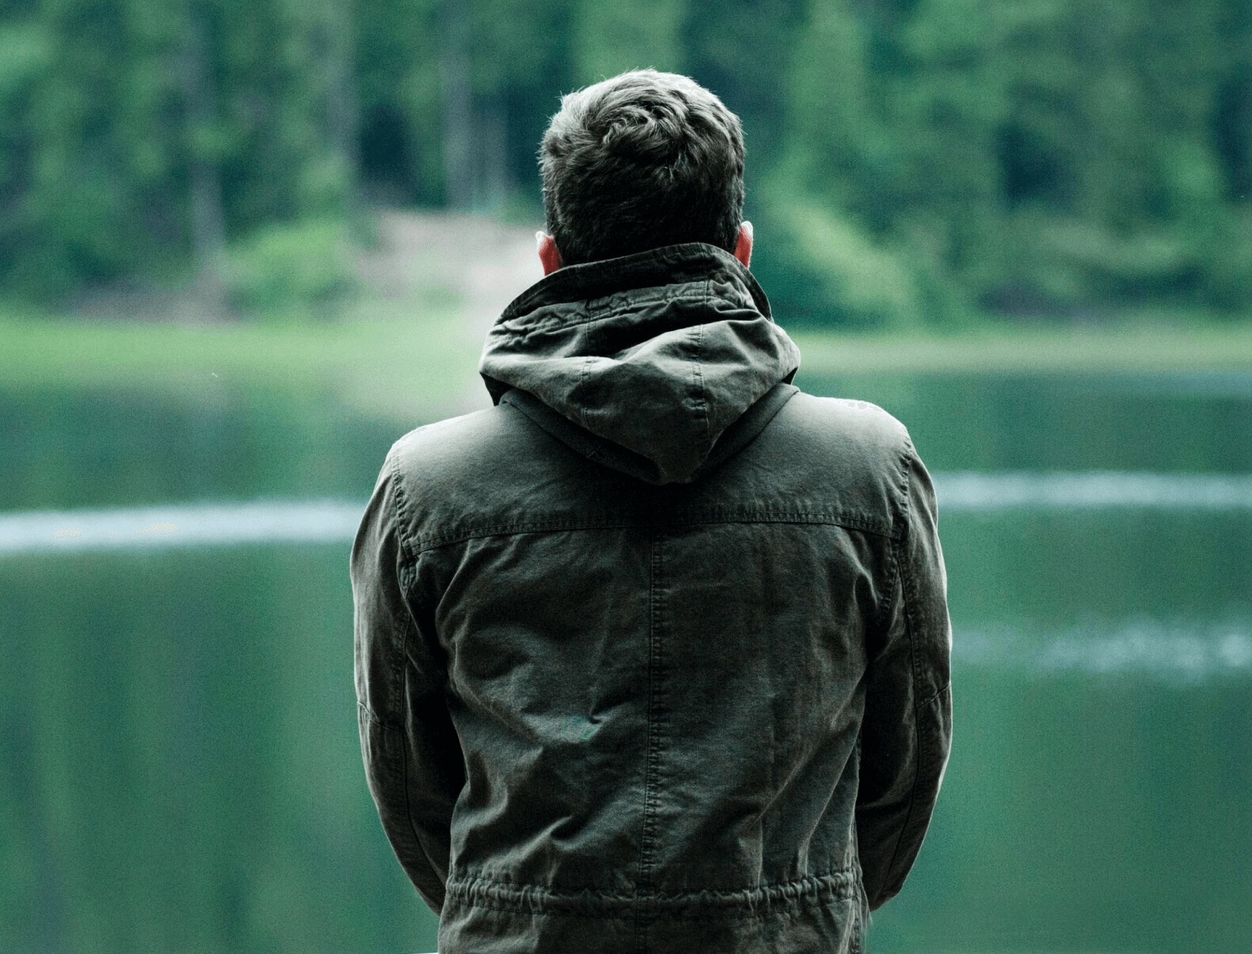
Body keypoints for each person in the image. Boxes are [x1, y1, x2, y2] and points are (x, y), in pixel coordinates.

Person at [352, 69, 951, 954]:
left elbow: (411, 787)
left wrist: (525, 912)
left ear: (550, 259)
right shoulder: (869, 471)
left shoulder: (427, 488)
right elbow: (906, 769)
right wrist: (798, 911)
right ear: (741, 250)